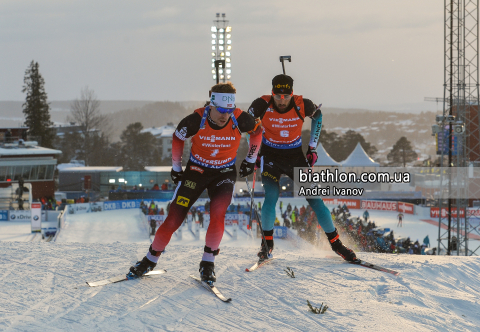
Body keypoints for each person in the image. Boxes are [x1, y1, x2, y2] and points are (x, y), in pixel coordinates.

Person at [128, 82, 262, 283]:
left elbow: (257, 132)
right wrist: (176, 167)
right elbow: (177, 137)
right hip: (196, 172)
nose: (224, 115)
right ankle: (149, 260)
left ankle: (207, 263)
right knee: (173, 219)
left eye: (229, 109)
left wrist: (250, 160)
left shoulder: (240, 119)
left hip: (223, 173)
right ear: (211, 104)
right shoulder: (195, 120)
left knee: (218, 215)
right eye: (220, 110)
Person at [247, 74, 356, 261]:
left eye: (286, 96)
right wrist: (253, 154)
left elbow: (318, 117)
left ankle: (336, 245)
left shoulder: (302, 104)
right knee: (271, 198)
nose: (282, 101)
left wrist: (312, 148)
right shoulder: (262, 104)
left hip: (295, 157)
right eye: (277, 96)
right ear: (272, 92)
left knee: (316, 201)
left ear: (292, 93)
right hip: (270, 156)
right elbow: (248, 126)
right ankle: (267, 244)